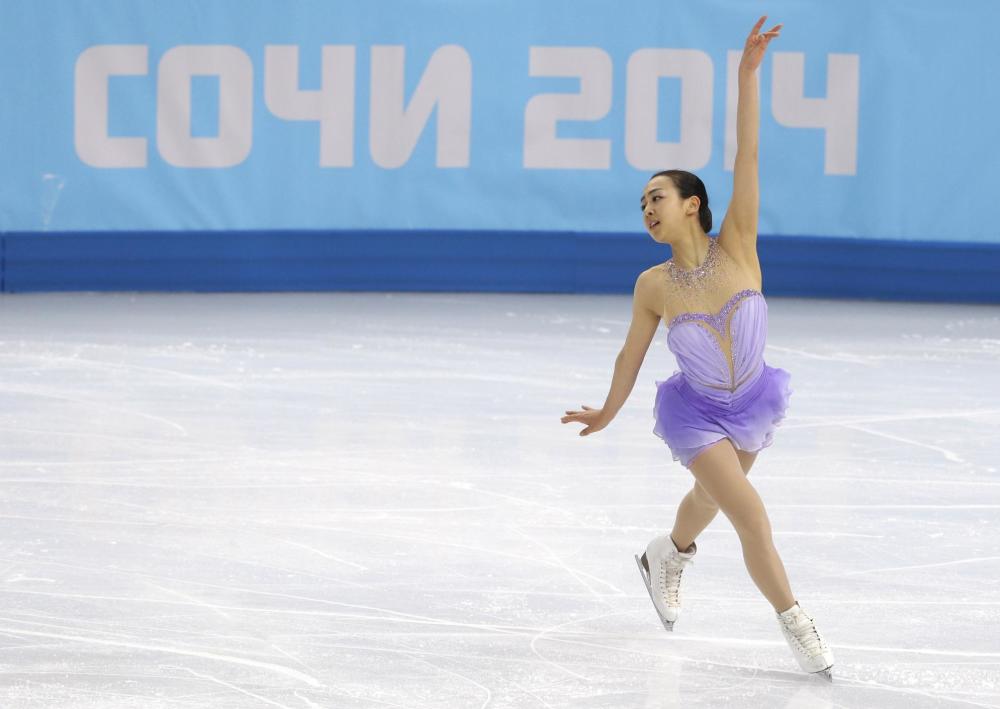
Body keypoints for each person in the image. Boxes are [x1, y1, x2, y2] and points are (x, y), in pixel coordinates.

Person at [559, 16, 835, 680]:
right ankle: (797, 622)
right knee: (748, 511)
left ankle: (666, 553)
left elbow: (748, 154)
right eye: (641, 203)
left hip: (754, 401)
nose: (647, 208)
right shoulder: (653, 285)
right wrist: (607, 409)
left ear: (693, 204)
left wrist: (745, 76)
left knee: (712, 501)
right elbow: (631, 355)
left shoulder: (737, 241)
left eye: (657, 197)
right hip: (698, 412)